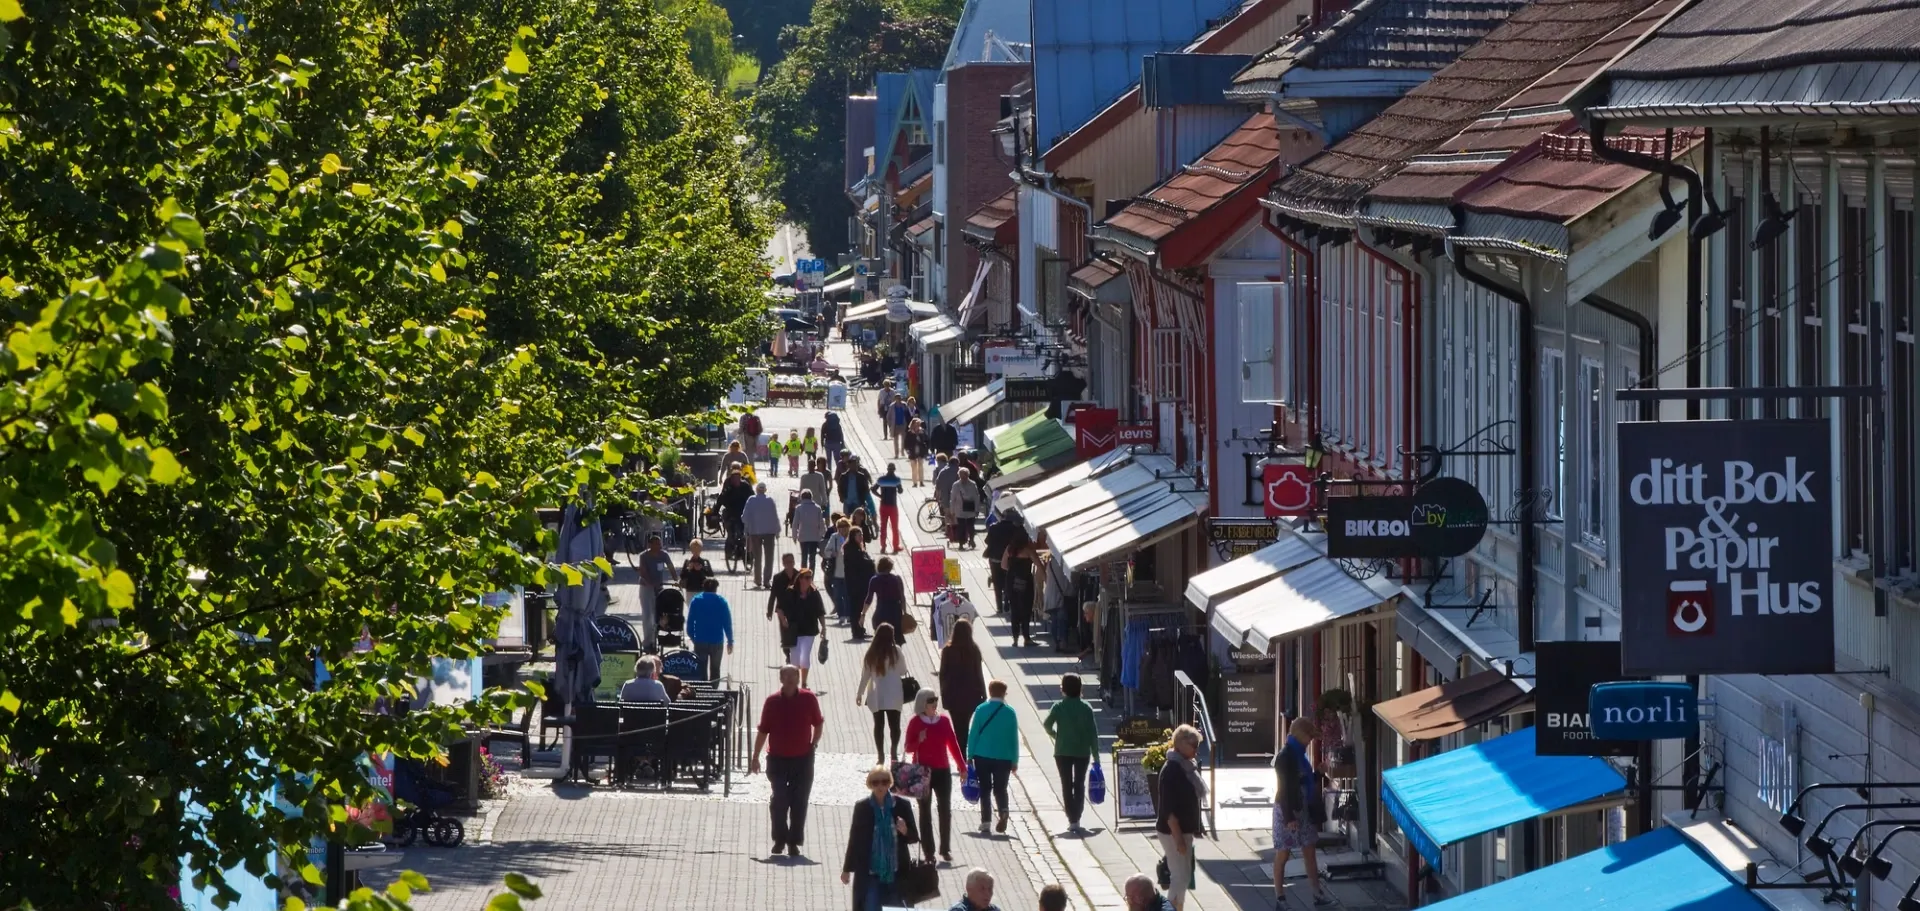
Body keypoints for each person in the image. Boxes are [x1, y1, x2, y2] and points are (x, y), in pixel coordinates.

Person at [751, 665, 824, 857]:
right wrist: (755, 757)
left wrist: (814, 744)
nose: (792, 679)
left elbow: (818, 723)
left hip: (803, 759)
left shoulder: (809, 698)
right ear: (781, 678)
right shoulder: (772, 701)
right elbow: (763, 730)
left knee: (800, 801)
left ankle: (794, 842)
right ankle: (779, 839)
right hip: (778, 759)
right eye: (788, 676)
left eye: (795, 675)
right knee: (780, 798)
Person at [1274, 717, 1333, 906]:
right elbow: (1284, 789)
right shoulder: (1285, 756)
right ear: (1301, 735)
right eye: (1309, 736)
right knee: (1283, 852)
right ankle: (1280, 896)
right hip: (1288, 809)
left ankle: (1317, 893)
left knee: (1309, 850)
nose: (1310, 741)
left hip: (1303, 807)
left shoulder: (1300, 754)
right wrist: (1289, 817)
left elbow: (1302, 781)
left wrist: (1318, 773)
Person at [842, 765, 919, 911]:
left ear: (889, 783)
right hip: (870, 873)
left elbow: (914, 837)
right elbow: (855, 840)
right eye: (876, 783)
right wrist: (847, 869)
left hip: (896, 873)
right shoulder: (862, 808)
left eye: (884, 782)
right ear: (870, 785)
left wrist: (905, 830)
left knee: (896, 909)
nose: (880, 786)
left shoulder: (902, 805)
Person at [905, 689, 966, 863]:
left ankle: (945, 849)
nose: (934, 705)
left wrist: (962, 766)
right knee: (925, 812)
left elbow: (953, 744)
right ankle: (928, 851)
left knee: (945, 810)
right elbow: (908, 747)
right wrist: (919, 740)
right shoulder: (915, 723)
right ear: (922, 704)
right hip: (922, 771)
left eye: (935, 701)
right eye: (931, 702)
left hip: (942, 770)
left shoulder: (944, 721)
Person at [1156, 725, 1208, 910]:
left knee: (1183, 875)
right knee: (1180, 876)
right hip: (1173, 831)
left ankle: (1177, 907)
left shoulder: (1185, 766)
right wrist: (1178, 838)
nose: (1196, 748)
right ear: (1180, 744)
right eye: (1193, 744)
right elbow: (1168, 811)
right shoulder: (1172, 770)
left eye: (1197, 744)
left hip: (1182, 830)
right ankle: (1172, 908)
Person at [1043, 673, 1098, 834]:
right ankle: (1078, 816)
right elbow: (1093, 734)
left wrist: (1056, 735)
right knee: (1079, 783)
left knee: (1066, 784)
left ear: (1063, 689)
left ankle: (1071, 818)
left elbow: (1047, 724)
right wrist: (1096, 756)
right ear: (1080, 688)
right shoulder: (1086, 708)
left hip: (1062, 751)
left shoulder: (1058, 707)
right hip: (1082, 751)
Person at [966, 679, 1019, 835]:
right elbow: (1013, 739)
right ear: (1004, 693)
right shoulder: (1010, 712)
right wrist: (1014, 760)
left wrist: (970, 755)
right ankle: (1003, 810)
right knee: (1000, 789)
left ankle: (986, 821)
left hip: (982, 755)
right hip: (1003, 757)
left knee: (985, 788)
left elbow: (973, 733)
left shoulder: (981, 709)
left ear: (990, 692)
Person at [856, 623, 907, 765]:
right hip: (894, 693)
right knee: (894, 725)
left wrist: (859, 694)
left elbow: (865, 676)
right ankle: (893, 752)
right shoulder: (896, 651)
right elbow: (903, 670)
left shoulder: (871, 653)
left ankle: (880, 755)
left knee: (878, 725)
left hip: (876, 693)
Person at [939, 618, 987, 754]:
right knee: (966, 724)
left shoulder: (948, 650)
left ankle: (961, 753)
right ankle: (965, 751)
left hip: (953, 695)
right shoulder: (974, 650)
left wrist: (943, 694)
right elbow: (979, 673)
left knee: (958, 726)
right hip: (972, 694)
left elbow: (943, 674)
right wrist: (984, 693)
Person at [780, 570, 828, 688]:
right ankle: (794, 684)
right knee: (795, 659)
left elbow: (820, 612)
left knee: (805, 656)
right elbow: (780, 608)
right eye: (806, 578)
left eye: (810, 578)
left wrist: (824, 627)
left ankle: (804, 683)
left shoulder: (814, 593)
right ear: (800, 579)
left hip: (809, 630)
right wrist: (783, 620)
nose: (809, 580)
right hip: (794, 631)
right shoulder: (790, 592)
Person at [982, 509, 1029, 617]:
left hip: (994, 559)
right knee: (1008, 581)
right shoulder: (1014, 528)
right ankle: (1007, 602)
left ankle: (999, 607)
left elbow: (987, 541)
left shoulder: (994, 527)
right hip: (1009, 558)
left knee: (997, 583)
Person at [685, 578, 734, 680]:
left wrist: (694, 638)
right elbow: (727, 623)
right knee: (715, 670)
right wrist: (730, 640)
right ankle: (714, 691)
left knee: (701, 669)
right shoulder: (722, 602)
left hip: (700, 640)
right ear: (716, 588)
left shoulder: (696, 601)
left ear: (704, 587)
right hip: (717, 641)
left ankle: (703, 690)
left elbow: (689, 623)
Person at [635, 534, 677, 652]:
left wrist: (676, 580)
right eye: (656, 544)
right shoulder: (644, 556)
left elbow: (671, 567)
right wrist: (651, 583)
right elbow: (643, 571)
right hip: (646, 587)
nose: (659, 546)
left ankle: (656, 638)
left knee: (658, 614)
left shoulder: (664, 555)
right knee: (647, 615)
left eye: (660, 544)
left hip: (659, 587)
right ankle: (648, 641)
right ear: (650, 545)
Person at [743, 482, 782, 589]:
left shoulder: (751, 500)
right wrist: (777, 530)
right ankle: (767, 580)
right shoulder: (770, 501)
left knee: (757, 556)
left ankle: (758, 579)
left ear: (756, 490)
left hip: (755, 531)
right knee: (769, 557)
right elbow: (775, 516)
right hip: (769, 532)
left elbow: (745, 516)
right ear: (765, 490)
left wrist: (746, 525)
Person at [843, 528, 876, 640]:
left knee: (859, 608)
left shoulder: (858, 548)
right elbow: (862, 564)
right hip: (856, 585)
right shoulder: (852, 550)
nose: (861, 537)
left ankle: (860, 629)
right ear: (853, 537)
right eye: (858, 535)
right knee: (856, 609)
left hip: (861, 584)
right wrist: (871, 563)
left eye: (861, 534)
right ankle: (857, 631)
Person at [1003, 539, 1037, 647]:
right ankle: (1026, 638)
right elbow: (1038, 565)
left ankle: (1015, 638)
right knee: (1026, 610)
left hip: (1011, 582)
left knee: (1015, 610)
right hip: (1025, 583)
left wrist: (1013, 569)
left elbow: (1003, 565)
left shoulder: (1009, 549)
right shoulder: (1028, 550)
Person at [864, 555, 908, 636]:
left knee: (881, 639)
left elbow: (869, 599)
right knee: (897, 638)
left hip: (881, 612)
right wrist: (905, 613)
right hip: (895, 613)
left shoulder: (874, 580)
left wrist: (863, 614)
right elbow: (902, 598)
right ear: (890, 567)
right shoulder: (897, 579)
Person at [825, 516, 853, 623]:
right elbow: (826, 551)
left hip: (848, 573)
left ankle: (848, 615)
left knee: (847, 595)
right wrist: (833, 553)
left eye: (845, 527)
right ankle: (841, 615)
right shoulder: (834, 537)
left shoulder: (851, 537)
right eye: (840, 527)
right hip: (836, 572)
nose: (843, 529)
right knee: (837, 595)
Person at [791, 490, 827, 571]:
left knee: (804, 557)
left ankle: (803, 575)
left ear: (801, 497)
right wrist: (822, 534)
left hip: (803, 536)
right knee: (812, 558)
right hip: (814, 537)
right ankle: (811, 576)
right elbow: (821, 523)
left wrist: (794, 536)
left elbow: (795, 524)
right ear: (811, 497)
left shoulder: (799, 508)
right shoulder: (817, 508)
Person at [950, 467, 983, 549]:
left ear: (968, 475)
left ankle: (971, 540)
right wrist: (952, 510)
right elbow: (952, 498)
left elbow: (976, 497)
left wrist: (977, 509)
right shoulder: (956, 485)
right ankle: (961, 543)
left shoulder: (973, 484)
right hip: (960, 510)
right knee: (961, 527)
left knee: (970, 526)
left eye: (965, 475)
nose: (963, 477)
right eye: (961, 475)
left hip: (970, 510)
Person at [875, 463, 905, 553]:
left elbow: (873, 489)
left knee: (883, 526)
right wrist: (899, 487)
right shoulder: (896, 479)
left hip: (883, 505)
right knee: (895, 527)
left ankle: (883, 546)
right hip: (892, 506)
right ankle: (895, 546)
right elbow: (900, 491)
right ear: (894, 470)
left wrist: (880, 496)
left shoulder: (881, 479)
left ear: (887, 469)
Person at [933, 453, 957, 522]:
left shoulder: (937, 469)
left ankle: (944, 523)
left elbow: (935, 481)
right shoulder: (951, 468)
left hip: (941, 490)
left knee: (943, 507)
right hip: (951, 491)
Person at [904, 417, 928, 486]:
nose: (918, 426)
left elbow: (926, 440)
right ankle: (914, 482)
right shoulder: (909, 433)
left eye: (919, 424)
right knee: (914, 467)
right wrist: (908, 450)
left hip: (921, 451)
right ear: (913, 424)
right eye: (916, 424)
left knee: (920, 467)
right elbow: (906, 443)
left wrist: (926, 449)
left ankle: (921, 481)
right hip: (912, 452)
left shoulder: (922, 432)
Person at [890, 392, 913, 457]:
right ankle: (896, 454)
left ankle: (902, 452)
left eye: (899, 398)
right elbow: (888, 416)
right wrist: (890, 424)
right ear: (895, 399)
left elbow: (908, 413)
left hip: (903, 425)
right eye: (897, 398)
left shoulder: (904, 405)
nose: (899, 400)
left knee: (904, 440)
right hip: (895, 425)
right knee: (895, 441)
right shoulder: (892, 406)